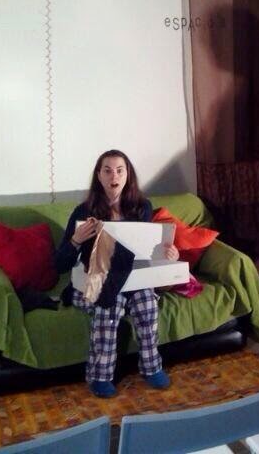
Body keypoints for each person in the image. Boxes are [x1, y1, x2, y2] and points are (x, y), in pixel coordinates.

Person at [54, 149, 179, 398]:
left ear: (127, 175)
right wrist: (75, 241)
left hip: (131, 279)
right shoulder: (83, 211)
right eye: (108, 170)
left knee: (146, 302)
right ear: (99, 176)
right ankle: (99, 376)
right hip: (93, 281)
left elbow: (145, 251)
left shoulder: (142, 207)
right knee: (109, 303)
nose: (114, 176)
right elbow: (59, 264)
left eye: (120, 170)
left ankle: (152, 367)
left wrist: (168, 255)